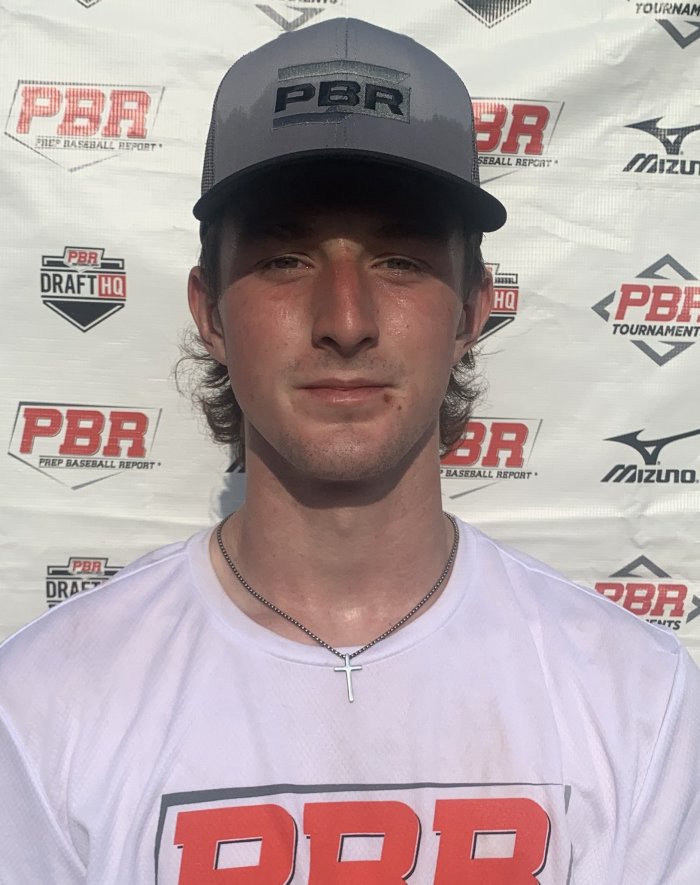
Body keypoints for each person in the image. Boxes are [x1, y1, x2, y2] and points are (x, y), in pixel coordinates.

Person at [1, 17, 698, 885]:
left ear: (472, 310)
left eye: (399, 260)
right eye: (285, 260)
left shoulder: (636, 696)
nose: (345, 321)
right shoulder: (44, 700)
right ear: (211, 312)